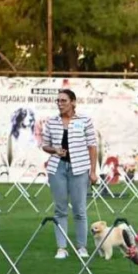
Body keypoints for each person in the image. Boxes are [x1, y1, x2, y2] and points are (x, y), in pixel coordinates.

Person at [41, 89, 99, 259]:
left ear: (73, 102)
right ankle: (62, 247)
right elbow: (45, 145)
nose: (60, 104)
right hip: (57, 168)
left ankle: (81, 247)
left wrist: (93, 171)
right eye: (58, 101)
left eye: (63, 100)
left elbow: (92, 146)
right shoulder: (51, 122)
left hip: (79, 168)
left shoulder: (85, 120)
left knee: (80, 209)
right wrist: (55, 150)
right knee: (60, 209)